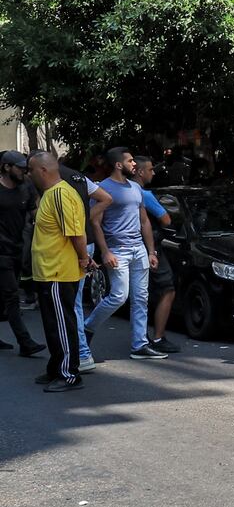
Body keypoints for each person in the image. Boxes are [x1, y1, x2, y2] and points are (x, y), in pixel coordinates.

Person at [85, 147, 166, 360]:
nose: (134, 164)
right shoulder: (102, 188)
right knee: (119, 296)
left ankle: (139, 345)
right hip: (117, 250)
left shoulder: (135, 188)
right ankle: (87, 327)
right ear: (118, 165)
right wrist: (105, 252)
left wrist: (151, 251)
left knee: (141, 298)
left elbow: (144, 221)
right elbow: (95, 222)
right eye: (130, 161)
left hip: (139, 249)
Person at [28, 151, 92, 392]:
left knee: (63, 325)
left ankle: (69, 374)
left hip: (58, 272)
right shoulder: (49, 195)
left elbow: (76, 232)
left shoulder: (61, 194)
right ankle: (57, 367)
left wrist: (85, 258)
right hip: (48, 272)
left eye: (31, 170)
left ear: (43, 170)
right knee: (53, 325)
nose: (29, 174)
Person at [62, 159, 113, 371]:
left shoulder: (52, 181)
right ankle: (80, 352)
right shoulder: (79, 177)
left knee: (71, 303)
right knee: (74, 302)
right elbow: (106, 198)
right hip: (86, 241)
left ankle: (81, 353)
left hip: (75, 243)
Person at [133, 156, 180, 354]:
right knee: (167, 289)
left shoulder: (125, 190)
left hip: (131, 245)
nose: (153, 173)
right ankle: (158, 337)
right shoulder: (145, 195)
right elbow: (166, 220)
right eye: (150, 169)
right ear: (140, 172)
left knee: (139, 294)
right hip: (150, 246)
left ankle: (140, 338)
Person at [0, 151, 44, 356]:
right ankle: (25, 343)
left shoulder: (26, 187)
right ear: (7, 167)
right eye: (20, 168)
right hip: (1, 253)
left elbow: (34, 212)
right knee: (11, 296)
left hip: (18, 249)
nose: (24, 171)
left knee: (4, 296)